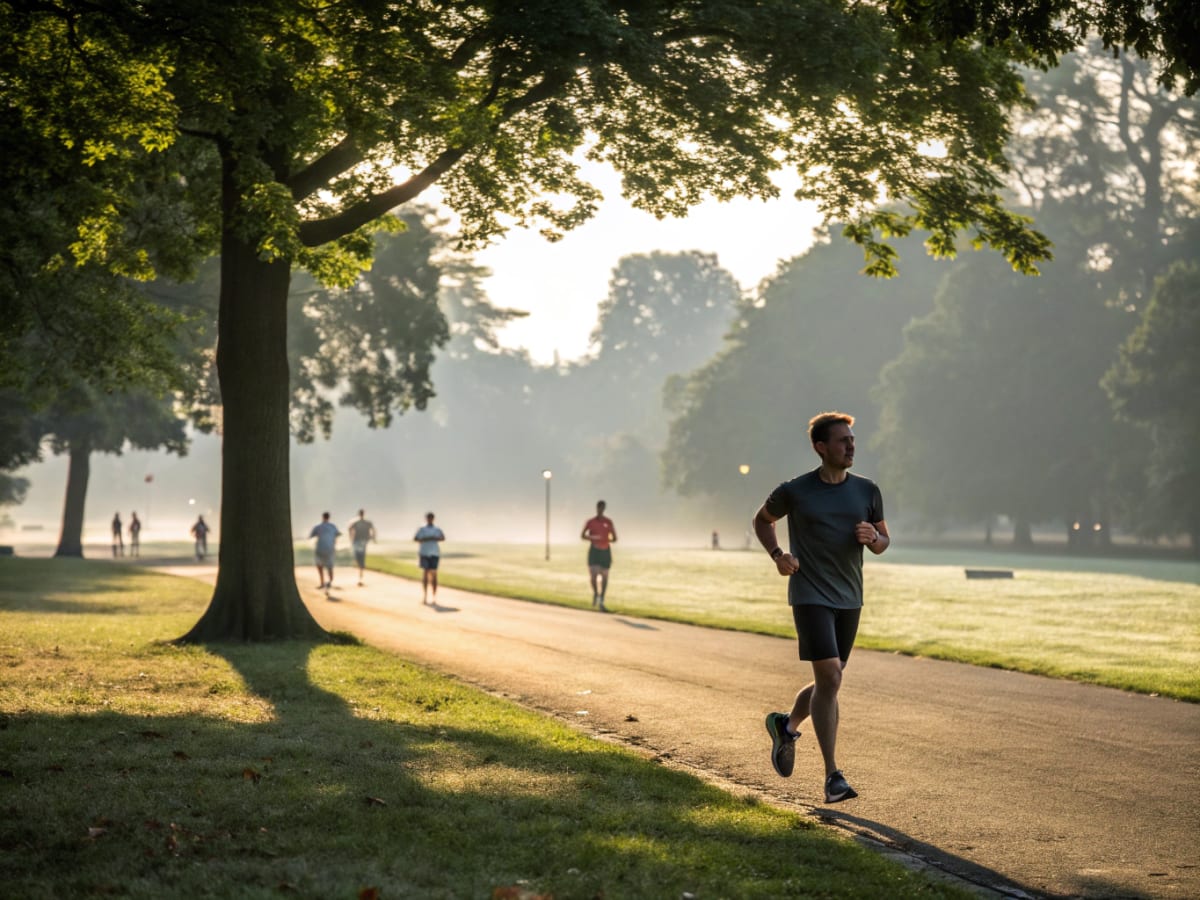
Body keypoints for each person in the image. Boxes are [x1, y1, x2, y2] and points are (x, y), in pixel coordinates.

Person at [754, 411, 890, 804]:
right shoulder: (795, 490)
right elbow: (762, 521)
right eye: (842, 440)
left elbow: (884, 541)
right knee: (829, 677)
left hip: (850, 598)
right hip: (810, 594)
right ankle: (833, 777)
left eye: (852, 440)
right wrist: (778, 555)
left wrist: (873, 538)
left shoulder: (867, 490)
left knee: (830, 681)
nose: (851, 446)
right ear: (820, 447)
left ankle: (786, 725)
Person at [580, 500, 618, 611]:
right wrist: (593, 538)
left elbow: (615, 538)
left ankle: (601, 598)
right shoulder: (590, 522)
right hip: (594, 550)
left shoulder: (608, 522)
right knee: (593, 574)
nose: (600, 510)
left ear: (604, 509)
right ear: (597, 508)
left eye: (602, 508)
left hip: (605, 551)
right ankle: (596, 593)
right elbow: (582, 535)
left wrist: (606, 539)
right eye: (599, 508)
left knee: (605, 575)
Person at [413, 512, 445, 604]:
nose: (430, 519)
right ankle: (425, 596)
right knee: (425, 573)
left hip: (434, 553)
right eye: (428, 518)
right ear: (426, 518)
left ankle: (434, 596)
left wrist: (433, 538)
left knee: (434, 574)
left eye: (431, 518)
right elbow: (416, 538)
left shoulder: (437, 529)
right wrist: (428, 539)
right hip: (424, 552)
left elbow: (442, 538)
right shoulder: (422, 529)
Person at [310, 512, 341, 590]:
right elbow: (337, 535)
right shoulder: (333, 526)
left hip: (320, 549)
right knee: (330, 566)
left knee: (319, 565)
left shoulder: (318, 527)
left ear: (322, 517)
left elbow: (311, 536)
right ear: (329, 517)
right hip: (330, 549)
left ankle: (322, 582)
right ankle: (330, 581)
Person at [347, 509, 376, 587]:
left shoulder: (357, 522)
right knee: (359, 558)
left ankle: (360, 576)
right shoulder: (363, 522)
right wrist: (373, 538)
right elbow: (373, 530)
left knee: (359, 558)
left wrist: (351, 538)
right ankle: (360, 574)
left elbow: (349, 529)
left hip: (359, 541)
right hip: (361, 541)